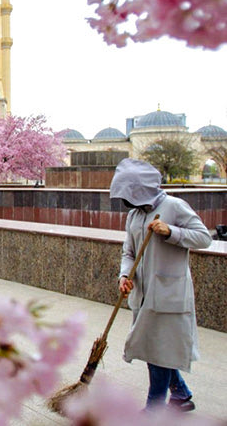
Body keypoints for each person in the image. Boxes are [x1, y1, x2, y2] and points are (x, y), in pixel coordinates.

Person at [110, 158, 212, 412]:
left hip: (169, 295)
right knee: (153, 350)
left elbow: (203, 238)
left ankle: (153, 410)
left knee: (159, 353)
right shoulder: (134, 215)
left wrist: (171, 232)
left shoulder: (174, 206)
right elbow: (128, 252)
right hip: (144, 295)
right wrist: (124, 276)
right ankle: (181, 394)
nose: (126, 202)